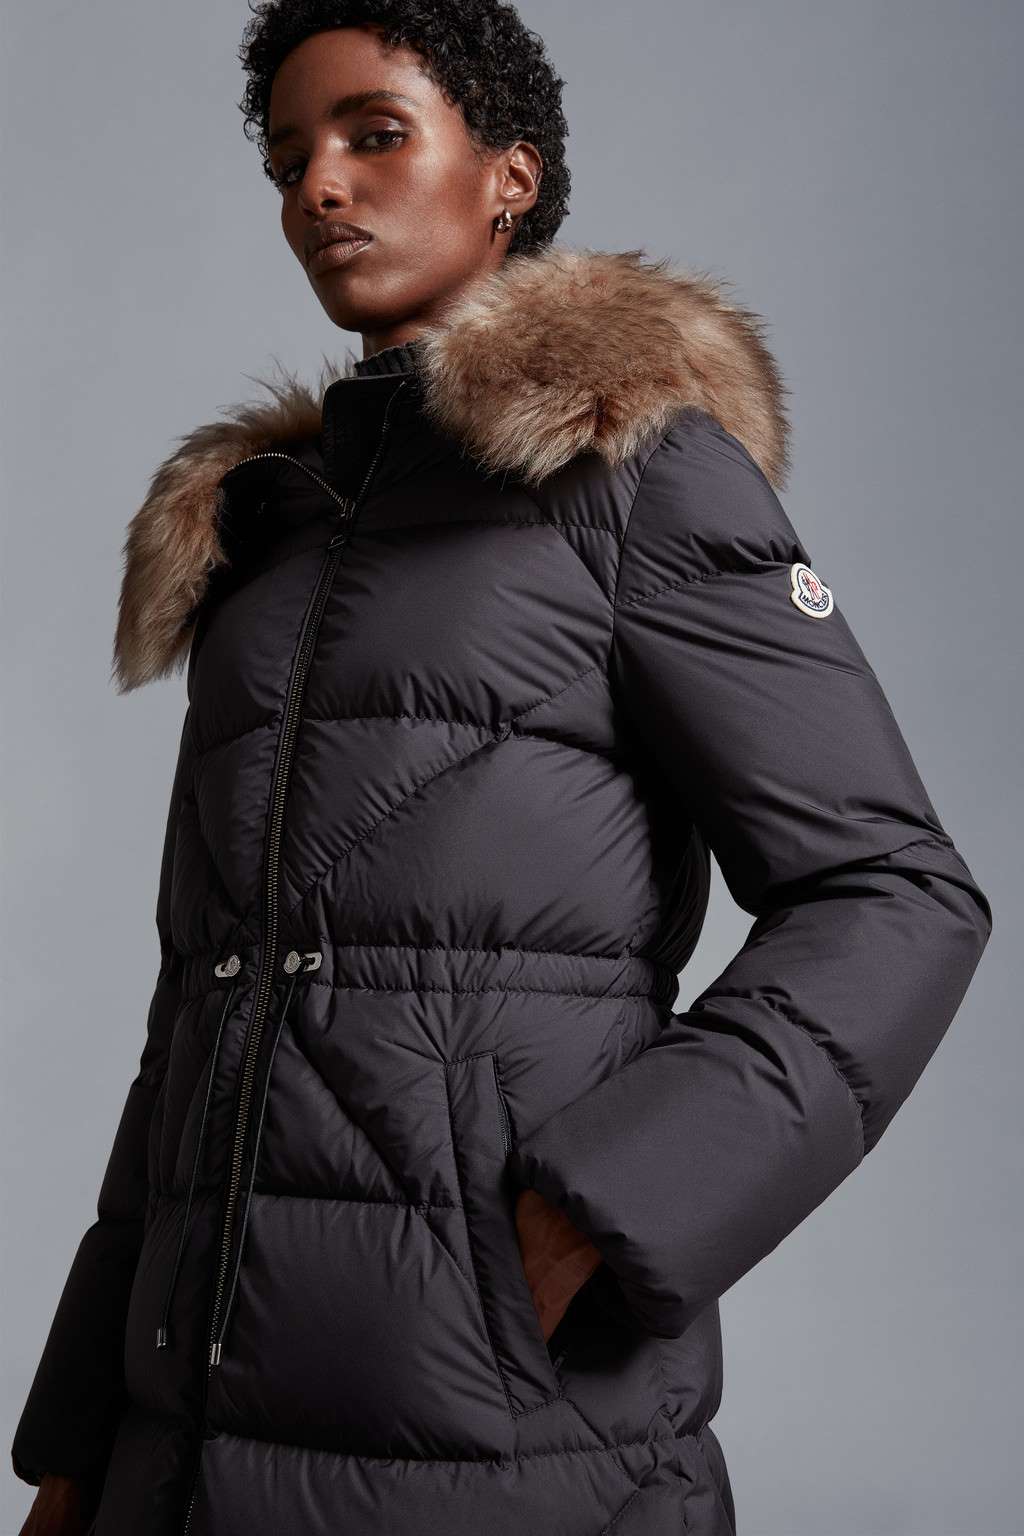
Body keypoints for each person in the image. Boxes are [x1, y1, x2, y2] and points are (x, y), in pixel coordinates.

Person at [11, 4, 993, 1534]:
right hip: (186, 1455)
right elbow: (198, 1010)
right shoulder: (269, 550)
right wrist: (82, 1436)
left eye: (374, 134)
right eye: (289, 157)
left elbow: (897, 895)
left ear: (509, 177)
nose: (320, 186)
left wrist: (605, 1211)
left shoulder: (635, 480)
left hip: (504, 1442)